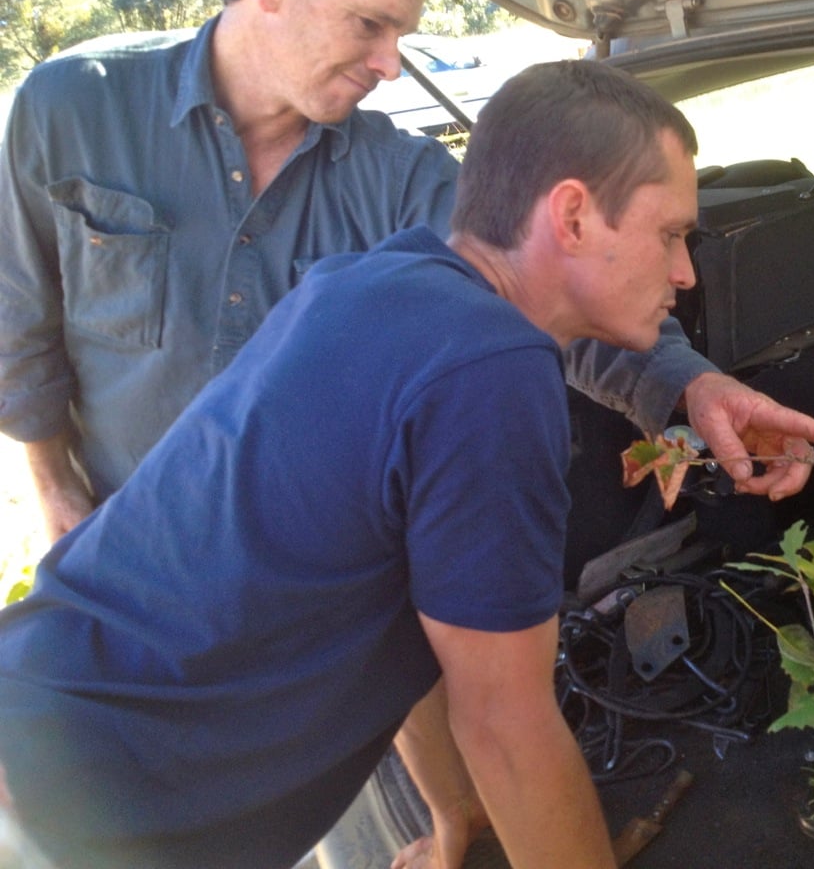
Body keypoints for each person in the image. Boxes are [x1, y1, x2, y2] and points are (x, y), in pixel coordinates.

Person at [0, 57, 725, 869]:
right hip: (73, 816)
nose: (685, 271)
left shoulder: (378, 281)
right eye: (669, 234)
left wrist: (453, 812)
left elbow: (405, 605)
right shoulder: (492, 367)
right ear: (574, 216)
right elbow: (506, 726)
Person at [0, 0, 814, 546]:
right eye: (370, 24)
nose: (389, 63)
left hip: (318, 569)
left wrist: (691, 388)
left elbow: (550, 286)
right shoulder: (72, 109)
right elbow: (20, 327)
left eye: (401, 32)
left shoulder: (402, 174)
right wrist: (57, 499)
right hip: (118, 548)